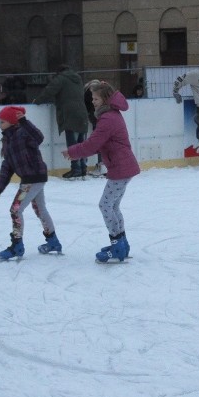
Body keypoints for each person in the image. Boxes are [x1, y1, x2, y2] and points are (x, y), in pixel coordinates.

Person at [62, 81, 140, 262]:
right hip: (122, 166)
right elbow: (98, 144)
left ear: (105, 99)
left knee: (105, 205)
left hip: (121, 168)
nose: (93, 102)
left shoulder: (107, 119)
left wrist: (72, 152)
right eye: (92, 98)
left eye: (95, 98)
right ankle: (121, 243)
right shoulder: (110, 115)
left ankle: (117, 245)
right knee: (113, 206)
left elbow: (93, 144)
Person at [0, 105, 62, 260]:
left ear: (11, 122)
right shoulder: (7, 140)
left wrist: (24, 121)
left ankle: (17, 245)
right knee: (40, 209)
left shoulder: (24, 133)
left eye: (2, 122)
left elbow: (39, 137)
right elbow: (7, 167)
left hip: (33, 178)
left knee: (15, 210)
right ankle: (53, 241)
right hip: (32, 179)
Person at [33, 64, 90, 179]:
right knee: (81, 143)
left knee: (72, 143)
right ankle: (83, 167)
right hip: (82, 113)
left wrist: (37, 100)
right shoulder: (78, 78)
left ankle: (76, 168)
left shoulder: (61, 79)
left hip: (70, 114)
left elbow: (49, 91)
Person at [84, 79, 105, 176]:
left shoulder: (89, 93)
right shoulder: (102, 92)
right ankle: (104, 165)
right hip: (103, 117)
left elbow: (88, 106)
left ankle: (102, 165)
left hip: (97, 118)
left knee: (99, 142)